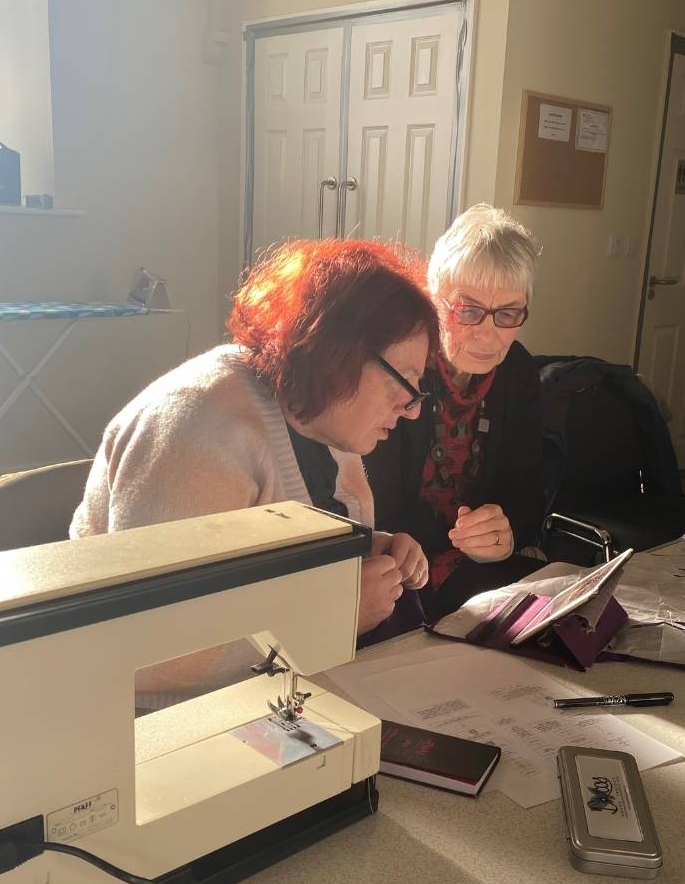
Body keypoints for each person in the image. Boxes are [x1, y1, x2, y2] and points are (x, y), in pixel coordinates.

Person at [71, 238, 439, 647]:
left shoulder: (323, 415)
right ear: (340, 356)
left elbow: (283, 560)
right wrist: (336, 614)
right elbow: (154, 645)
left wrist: (372, 551)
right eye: (405, 381)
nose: (413, 409)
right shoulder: (197, 428)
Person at [365, 204, 545, 619]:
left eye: (508, 313)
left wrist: (508, 531)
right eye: (467, 310)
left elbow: (528, 491)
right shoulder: (399, 368)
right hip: (396, 566)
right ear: (434, 301)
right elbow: (378, 509)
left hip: (481, 568)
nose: (488, 333)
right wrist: (460, 535)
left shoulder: (518, 373)